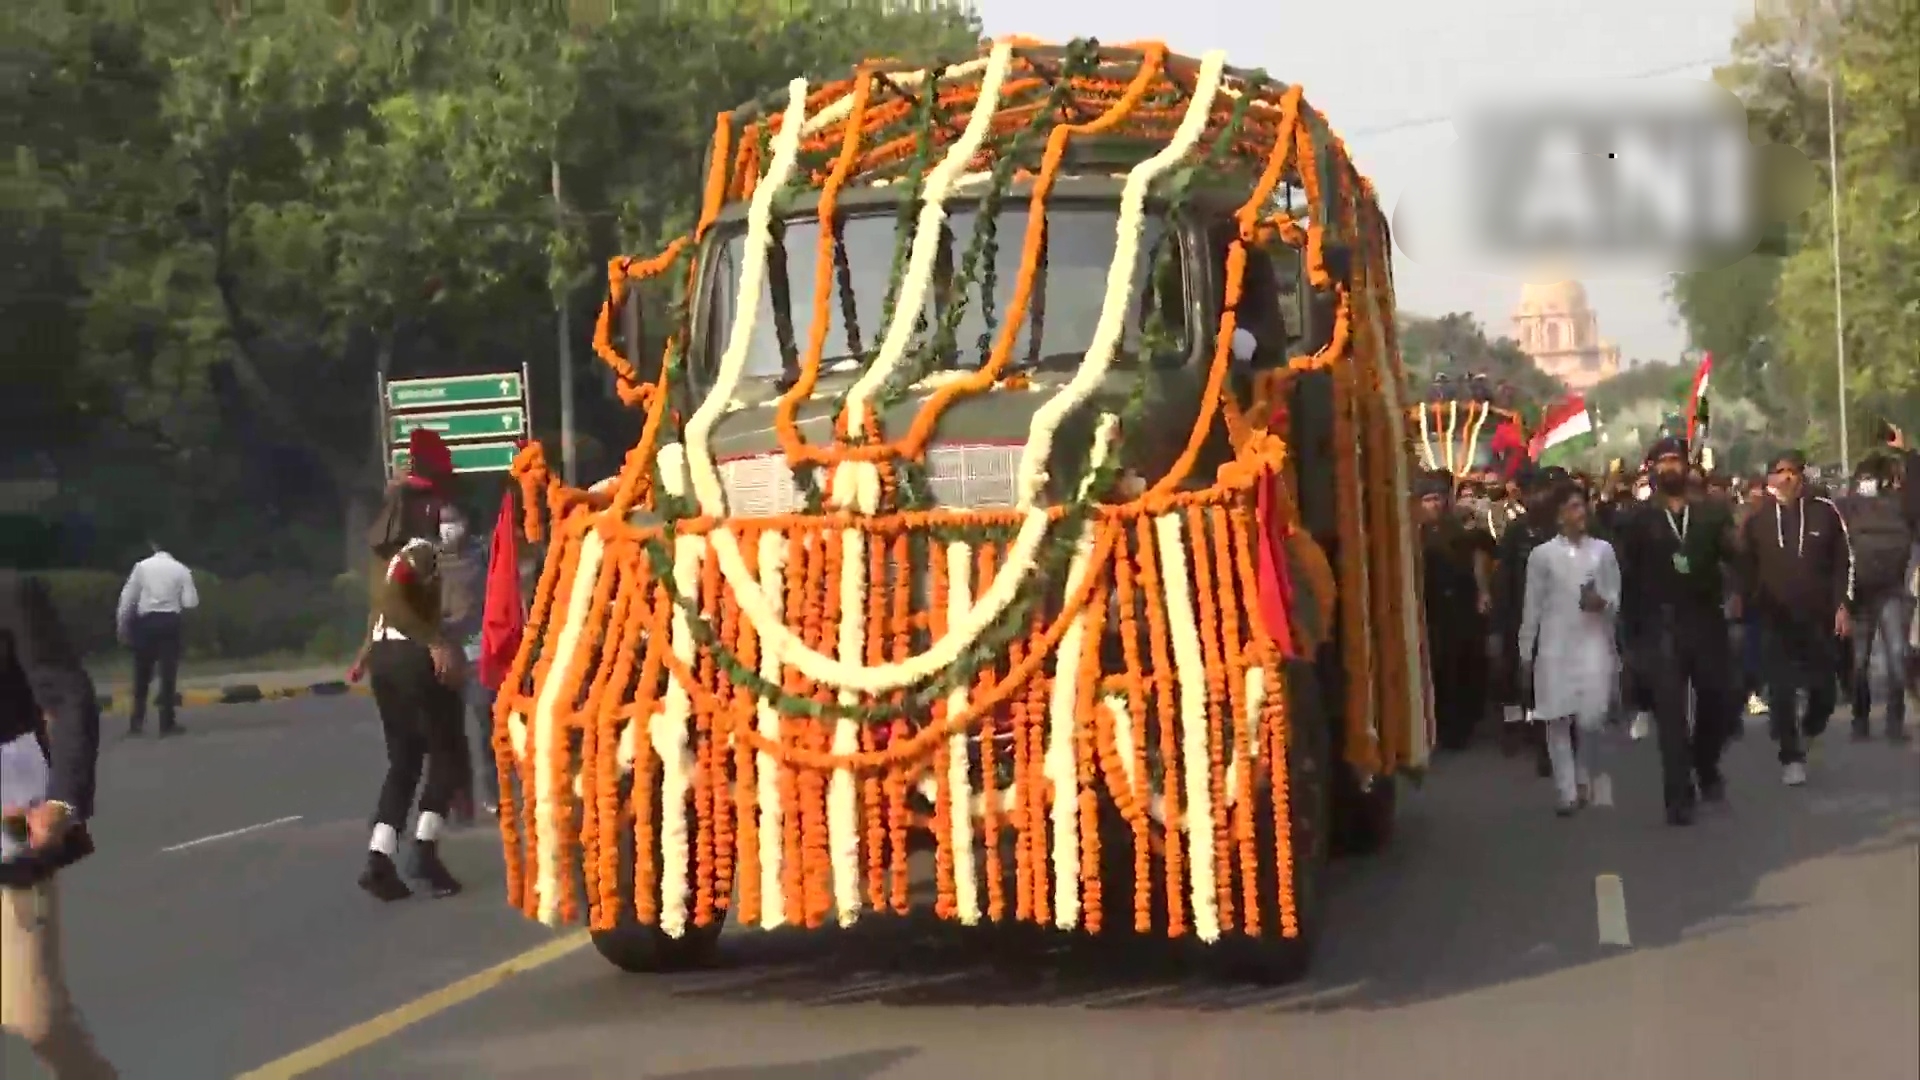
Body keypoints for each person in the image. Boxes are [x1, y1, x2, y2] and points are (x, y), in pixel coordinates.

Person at [1, 571, 118, 1079]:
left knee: (37, 1018)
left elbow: (67, 696)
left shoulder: (10, 594)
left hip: (11, 828)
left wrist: (63, 801)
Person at [354, 431, 467, 901]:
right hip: (413, 658)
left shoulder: (383, 554)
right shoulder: (420, 551)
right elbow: (400, 595)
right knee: (450, 752)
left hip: (386, 659)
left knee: (403, 760)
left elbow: (380, 605)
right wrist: (435, 641)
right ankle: (425, 850)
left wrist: (364, 653)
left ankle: (379, 858)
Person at [1616, 437, 1741, 825]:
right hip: (1660, 625)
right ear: (1651, 469)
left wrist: (1736, 593)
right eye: (1663, 461)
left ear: (1688, 467)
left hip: (1705, 620)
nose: (1670, 467)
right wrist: (1629, 640)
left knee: (1717, 703)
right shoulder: (1635, 519)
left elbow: (1736, 557)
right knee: (1671, 717)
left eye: (1676, 460)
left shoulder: (1711, 514)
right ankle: (1678, 795)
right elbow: (1624, 577)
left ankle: (1705, 764)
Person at [1739, 449, 1854, 787]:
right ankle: (1790, 755)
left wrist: (1844, 605)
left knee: (1824, 693)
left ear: (1802, 476)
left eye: (1793, 471)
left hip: (1819, 620)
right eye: (1780, 471)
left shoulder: (1826, 513)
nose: (1787, 477)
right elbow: (1745, 567)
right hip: (1775, 620)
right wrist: (1745, 602)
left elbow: (1844, 562)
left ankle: (1808, 731)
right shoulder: (1757, 520)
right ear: (1770, 478)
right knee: (1783, 691)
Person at [1518, 484, 1622, 816]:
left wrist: (1601, 602)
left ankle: (1581, 773)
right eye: (1574, 507)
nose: (1581, 514)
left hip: (1593, 644)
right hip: (1554, 645)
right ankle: (1566, 792)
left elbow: (1615, 596)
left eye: (1583, 506)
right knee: (1556, 717)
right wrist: (1525, 650)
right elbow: (1531, 606)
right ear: (1560, 515)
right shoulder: (1542, 556)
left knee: (1591, 717)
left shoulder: (1603, 551)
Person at [1838, 453, 1913, 742]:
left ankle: (1865, 722)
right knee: (1891, 655)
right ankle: (1886, 722)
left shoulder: (1850, 506)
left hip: (1867, 592)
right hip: (1882, 592)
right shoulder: (1899, 506)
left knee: (1865, 659)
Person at [1492, 466, 1562, 772]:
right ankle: (1535, 735)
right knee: (1528, 682)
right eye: (1537, 492)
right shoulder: (1517, 531)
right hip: (1525, 618)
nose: (1542, 498)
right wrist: (1500, 623)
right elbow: (1504, 578)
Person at [1419, 469, 1495, 751]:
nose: (1434, 505)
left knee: (1464, 666)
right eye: (1428, 500)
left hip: (1461, 608)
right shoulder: (1415, 535)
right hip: (1432, 610)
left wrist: (1482, 592)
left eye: (1437, 499)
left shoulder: (1461, 529)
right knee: (1439, 671)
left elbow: (1477, 557)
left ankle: (1461, 727)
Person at [435, 501, 490, 817]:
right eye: (442, 522)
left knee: (486, 723)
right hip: (445, 649)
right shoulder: (430, 562)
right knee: (448, 730)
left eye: (452, 520)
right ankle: (460, 800)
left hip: (477, 646)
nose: (447, 528)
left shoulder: (480, 557)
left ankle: (495, 792)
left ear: (465, 522)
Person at [113, 540, 199, 737]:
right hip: (170, 623)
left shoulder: (141, 567)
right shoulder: (182, 569)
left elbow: (128, 598)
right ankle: (167, 723)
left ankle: (136, 723)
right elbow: (191, 602)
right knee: (168, 675)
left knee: (142, 674)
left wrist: (122, 624)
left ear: (155, 546)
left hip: (146, 624)